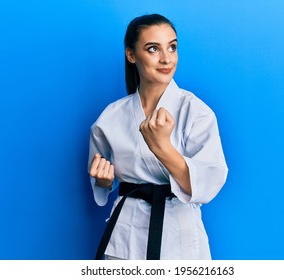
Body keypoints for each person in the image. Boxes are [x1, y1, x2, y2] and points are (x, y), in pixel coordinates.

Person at [88, 13, 228, 260]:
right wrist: (103, 181)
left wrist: (162, 147)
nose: (166, 58)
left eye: (172, 47)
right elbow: (103, 185)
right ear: (131, 55)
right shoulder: (111, 116)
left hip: (180, 233)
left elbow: (206, 185)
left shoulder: (196, 112)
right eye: (153, 49)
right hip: (126, 234)